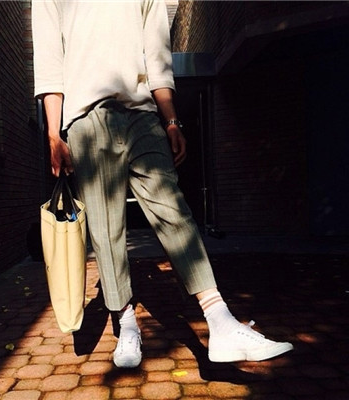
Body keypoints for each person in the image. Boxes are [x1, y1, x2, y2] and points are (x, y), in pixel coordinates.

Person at [32, 0, 293, 368]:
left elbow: (157, 57)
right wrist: (53, 133)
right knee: (105, 230)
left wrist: (171, 121)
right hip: (85, 121)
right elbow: (49, 61)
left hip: (142, 114)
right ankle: (126, 324)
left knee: (174, 211)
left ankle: (220, 321)